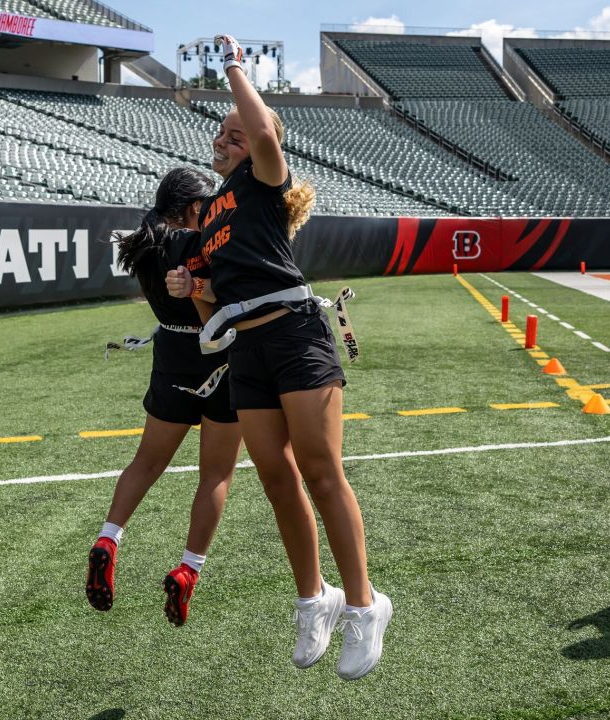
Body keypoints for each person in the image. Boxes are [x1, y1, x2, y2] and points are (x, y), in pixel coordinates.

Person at [165, 35, 392, 680]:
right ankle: (312, 599)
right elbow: (212, 315)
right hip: (248, 349)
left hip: (296, 336)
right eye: (223, 134)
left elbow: (264, 130)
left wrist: (234, 68)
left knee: (321, 473)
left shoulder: (263, 182)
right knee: (274, 478)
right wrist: (194, 291)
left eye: (238, 132)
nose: (228, 138)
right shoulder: (209, 213)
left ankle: (364, 605)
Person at [86, 167, 246, 627]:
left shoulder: (143, 245)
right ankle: (188, 570)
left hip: (172, 358)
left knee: (146, 463)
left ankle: (108, 539)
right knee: (215, 474)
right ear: (196, 207)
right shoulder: (200, 244)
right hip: (220, 360)